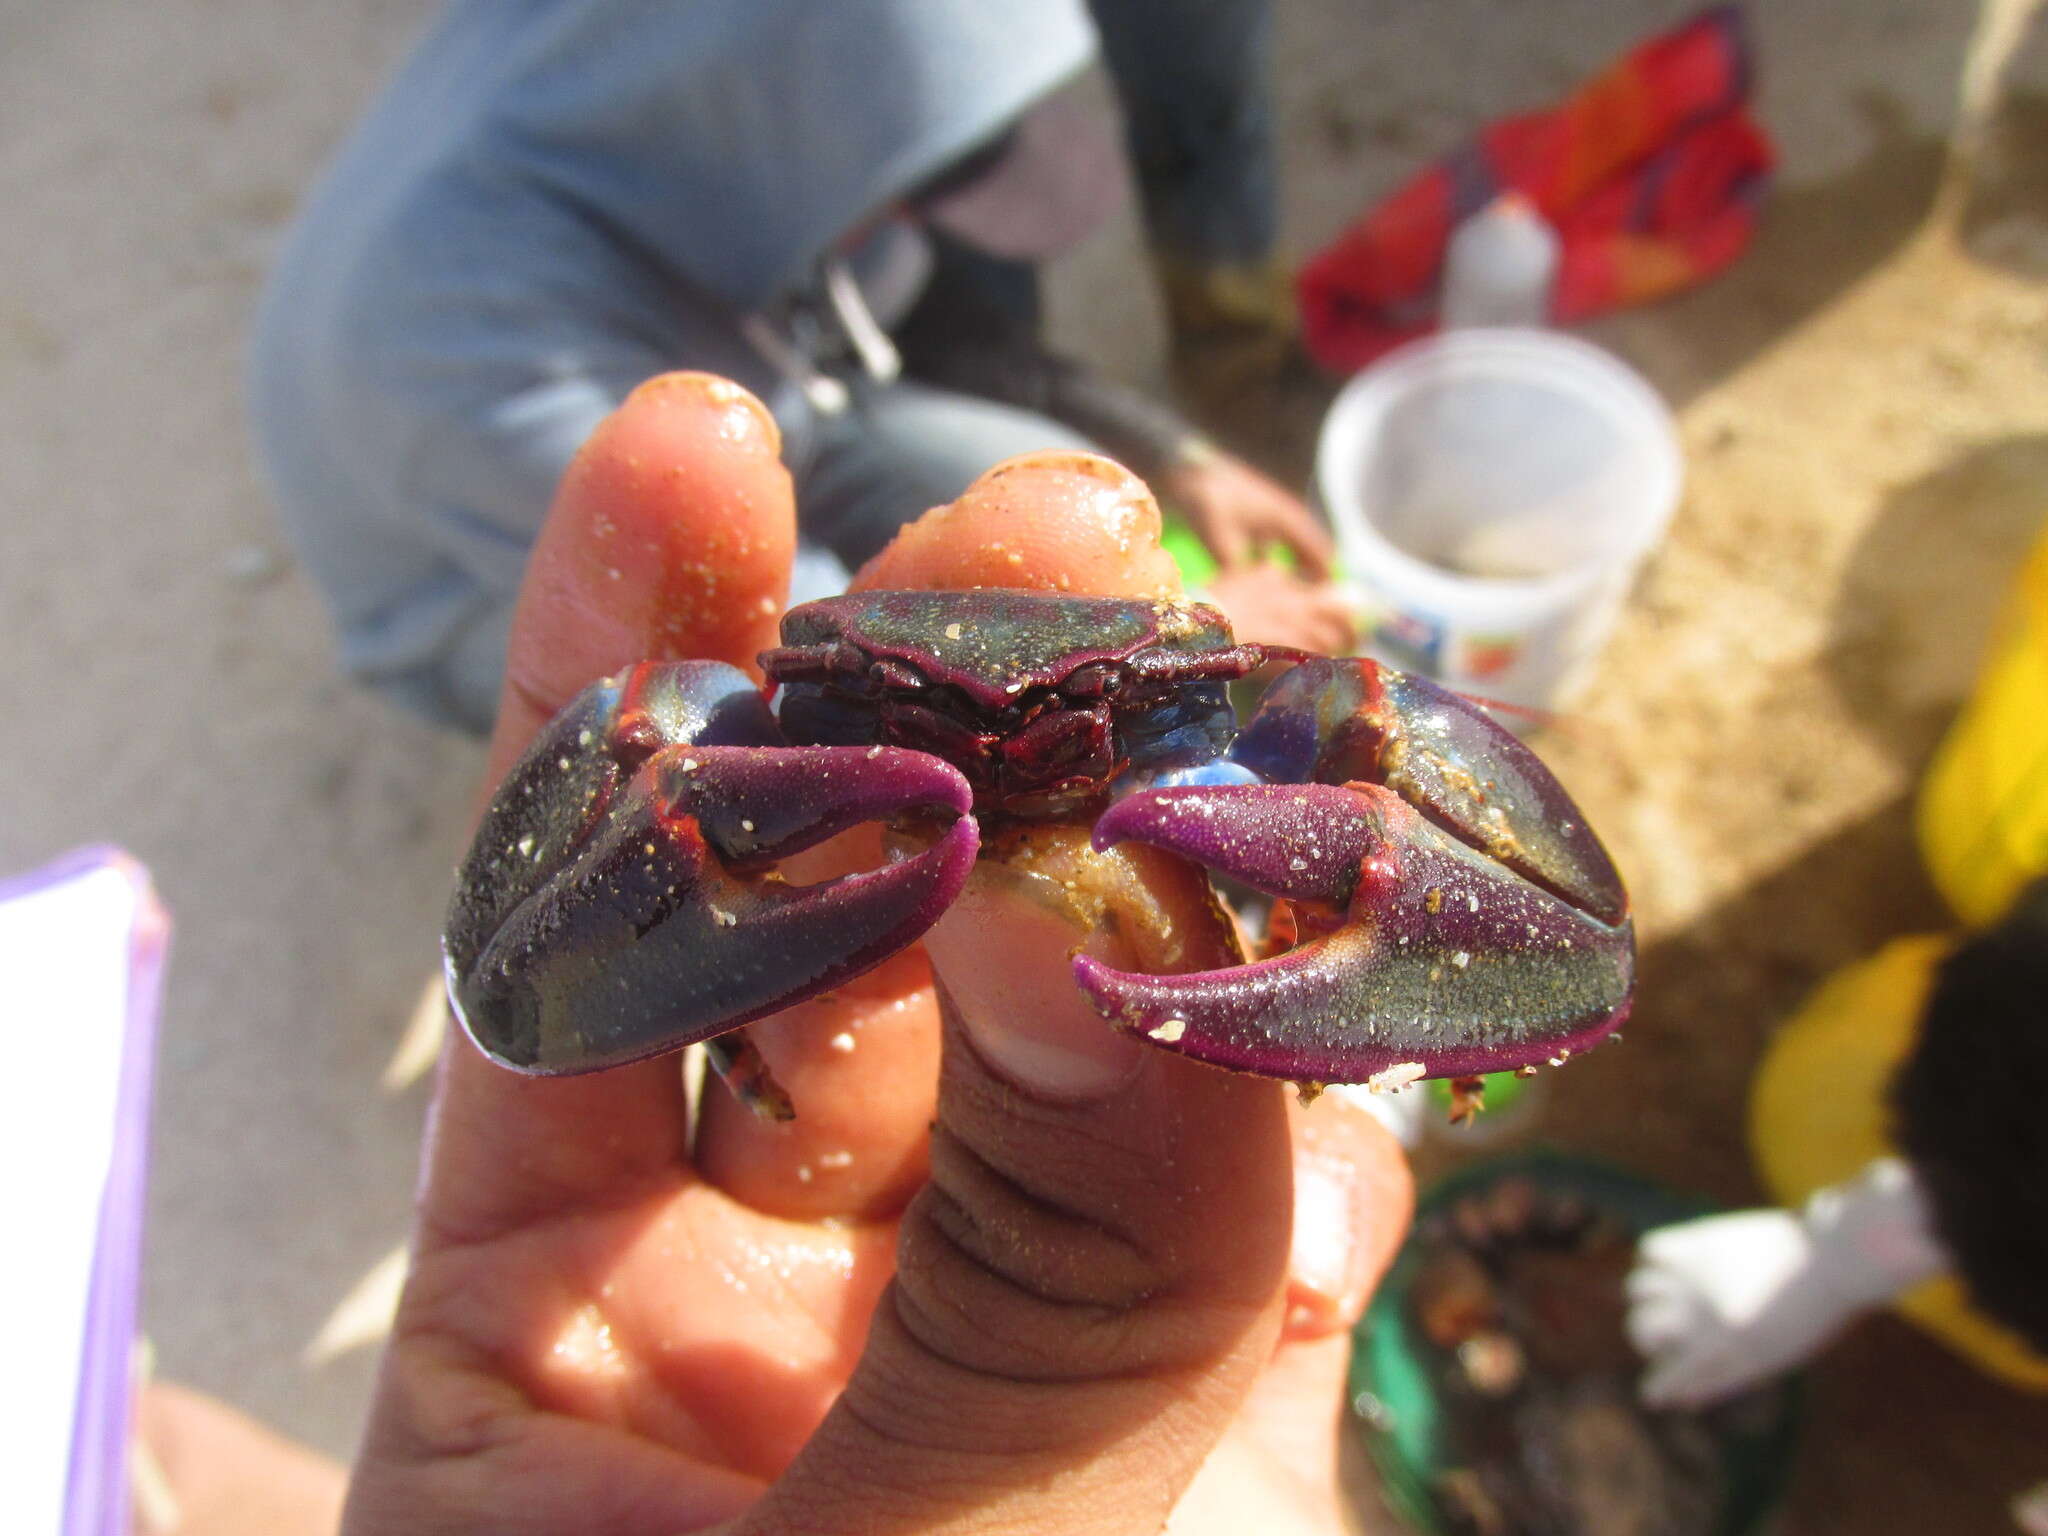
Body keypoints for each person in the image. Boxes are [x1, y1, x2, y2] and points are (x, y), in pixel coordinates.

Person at [258, 374, 1402, 1534]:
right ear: (811, 682)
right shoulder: (706, 729)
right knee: (639, 743)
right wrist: (712, 984)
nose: (1009, 738)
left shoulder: (1264, 737)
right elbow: (502, 974)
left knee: (1377, 746)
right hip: (866, 748)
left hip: (1073, 730)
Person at [250, 0, 1351, 738]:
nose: (910, 222)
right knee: (775, 736)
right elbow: (787, 640)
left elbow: (942, 334)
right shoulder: (469, 347)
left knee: (1042, 499)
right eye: (907, 189)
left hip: (766, 396)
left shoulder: (709, 96)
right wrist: (1165, 646)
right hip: (487, 579)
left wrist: (1172, 454)